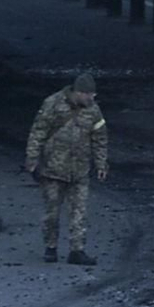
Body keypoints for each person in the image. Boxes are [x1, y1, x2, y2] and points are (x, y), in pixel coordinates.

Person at [25, 71, 108, 265]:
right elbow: (38, 131)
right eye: (89, 94)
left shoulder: (93, 110)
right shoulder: (52, 104)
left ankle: (77, 250)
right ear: (79, 92)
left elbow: (100, 138)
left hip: (79, 169)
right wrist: (32, 158)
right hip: (53, 169)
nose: (92, 98)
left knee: (79, 211)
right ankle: (51, 247)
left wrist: (101, 163)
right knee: (51, 212)